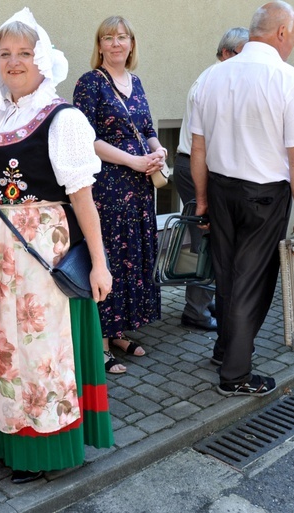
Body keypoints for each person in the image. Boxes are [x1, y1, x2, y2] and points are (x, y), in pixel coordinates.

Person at [0, 8, 114, 484]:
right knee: (3, 347)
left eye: (24, 53)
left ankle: (45, 446)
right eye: (5, 54)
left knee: (40, 350)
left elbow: (82, 197)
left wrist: (99, 263)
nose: (14, 62)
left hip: (41, 252)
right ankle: (7, 435)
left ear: (43, 60)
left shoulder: (62, 117)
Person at [189, 1, 294, 396]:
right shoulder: (289, 80)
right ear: (281, 32)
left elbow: (198, 149)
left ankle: (224, 350)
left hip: (219, 187)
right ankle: (235, 376)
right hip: (264, 196)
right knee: (253, 284)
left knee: (228, 276)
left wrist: (201, 200)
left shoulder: (211, 76)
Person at [73, 15, 166, 373]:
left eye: (122, 37)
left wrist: (158, 153)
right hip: (107, 186)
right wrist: (134, 160)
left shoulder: (136, 81)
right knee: (109, 255)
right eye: (108, 38)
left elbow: (147, 127)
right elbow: (85, 138)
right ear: (99, 46)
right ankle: (100, 341)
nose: (115, 43)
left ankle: (120, 331)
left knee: (132, 255)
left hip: (140, 185)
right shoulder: (90, 83)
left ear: (131, 44)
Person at [174, 27, 249, 333]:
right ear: (227, 53)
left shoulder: (220, 78)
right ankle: (196, 310)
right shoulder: (214, 81)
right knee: (205, 242)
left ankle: (208, 302)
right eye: (245, 54)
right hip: (196, 168)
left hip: (198, 166)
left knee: (213, 241)